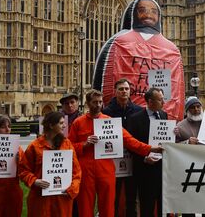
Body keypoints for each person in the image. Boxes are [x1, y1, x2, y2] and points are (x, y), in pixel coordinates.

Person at [68, 89, 163, 217]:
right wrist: (84, 145)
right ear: (87, 103)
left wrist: (150, 149)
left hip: (105, 168)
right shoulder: (78, 123)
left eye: (100, 102)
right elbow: (68, 148)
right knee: (85, 206)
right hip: (85, 170)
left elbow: (130, 141)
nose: (98, 105)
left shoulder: (110, 121)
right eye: (95, 102)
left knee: (108, 206)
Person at [92, 0, 185, 121]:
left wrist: (177, 119)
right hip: (123, 117)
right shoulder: (119, 42)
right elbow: (101, 79)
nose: (148, 14)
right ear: (134, 14)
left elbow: (178, 90)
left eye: (153, 11)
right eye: (142, 10)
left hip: (161, 122)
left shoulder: (172, 49)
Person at [19, 111, 82, 217]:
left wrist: (72, 189)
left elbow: (76, 171)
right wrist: (34, 181)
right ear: (51, 125)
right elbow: (23, 170)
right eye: (61, 123)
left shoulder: (67, 144)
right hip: (40, 198)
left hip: (62, 198)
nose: (65, 125)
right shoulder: (34, 146)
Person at [103, 79, 142, 217]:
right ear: (115, 91)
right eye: (121, 89)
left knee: (132, 196)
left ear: (130, 91)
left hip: (132, 158)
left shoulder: (138, 110)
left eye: (126, 89)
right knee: (114, 195)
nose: (124, 91)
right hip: (113, 159)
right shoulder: (106, 111)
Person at [126, 88, 168, 217]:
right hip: (145, 169)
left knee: (164, 205)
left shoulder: (164, 115)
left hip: (162, 170)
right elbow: (130, 145)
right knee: (147, 206)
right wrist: (144, 158)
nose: (163, 102)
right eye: (160, 99)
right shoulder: (135, 119)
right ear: (150, 101)